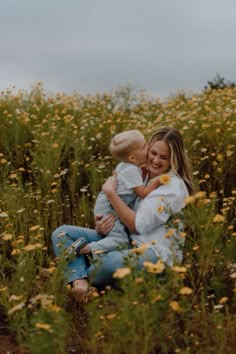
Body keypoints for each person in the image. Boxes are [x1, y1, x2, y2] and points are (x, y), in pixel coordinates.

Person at [51, 127, 195, 301]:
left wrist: (110, 194)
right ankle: (80, 282)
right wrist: (102, 226)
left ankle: (76, 271)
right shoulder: (141, 174)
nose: (155, 160)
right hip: (127, 243)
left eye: (163, 158)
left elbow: (137, 225)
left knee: (110, 262)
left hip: (154, 255)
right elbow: (123, 210)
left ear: (174, 160)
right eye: (153, 153)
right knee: (62, 233)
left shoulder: (172, 186)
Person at [77, 129, 161, 258]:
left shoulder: (127, 166)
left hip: (107, 204)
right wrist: (156, 182)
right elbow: (143, 193)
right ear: (132, 157)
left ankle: (90, 256)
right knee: (119, 240)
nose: (148, 147)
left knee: (116, 235)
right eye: (144, 146)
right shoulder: (131, 170)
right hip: (110, 208)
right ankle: (87, 248)